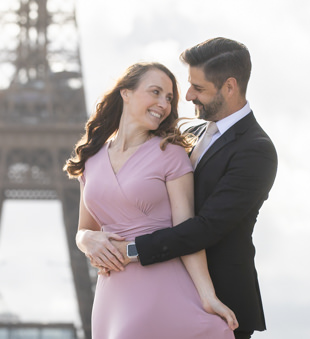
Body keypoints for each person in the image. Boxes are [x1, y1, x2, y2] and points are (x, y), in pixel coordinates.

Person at [77, 37, 278, 339]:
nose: (187, 95)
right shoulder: (184, 134)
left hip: (219, 297)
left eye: (198, 88)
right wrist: (87, 240)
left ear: (229, 87)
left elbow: (204, 228)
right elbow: (89, 223)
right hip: (124, 289)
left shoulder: (256, 150)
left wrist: (128, 250)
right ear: (125, 93)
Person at [64, 62, 237, 338]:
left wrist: (207, 295)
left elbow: (187, 231)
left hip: (159, 286)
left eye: (169, 98)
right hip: (111, 295)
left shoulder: (170, 154)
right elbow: (84, 229)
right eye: (155, 92)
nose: (164, 104)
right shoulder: (92, 158)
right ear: (126, 92)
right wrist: (85, 240)